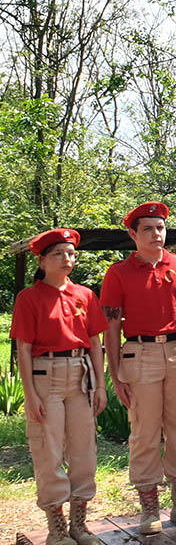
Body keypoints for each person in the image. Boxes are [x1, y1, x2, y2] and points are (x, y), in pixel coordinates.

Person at [100, 202, 176, 534]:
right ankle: (149, 509)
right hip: (139, 354)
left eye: (160, 228)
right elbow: (111, 328)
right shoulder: (118, 273)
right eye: (147, 229)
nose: (156, 234)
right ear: (133, 234)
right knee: (144, 433)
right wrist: (114, 375)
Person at [11, 228, 107, 545]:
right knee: (48, 452)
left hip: (80, 376)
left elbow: (95, 343)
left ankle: (80, 525)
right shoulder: (29, 298)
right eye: (58, 254)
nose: (67, 259)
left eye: (71, 253)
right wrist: (30, 393)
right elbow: (23, 349)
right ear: (42, 261)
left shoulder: (85, 295)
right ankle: (57, 529)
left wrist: (101, 386)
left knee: (84, 453)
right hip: (45, 377)